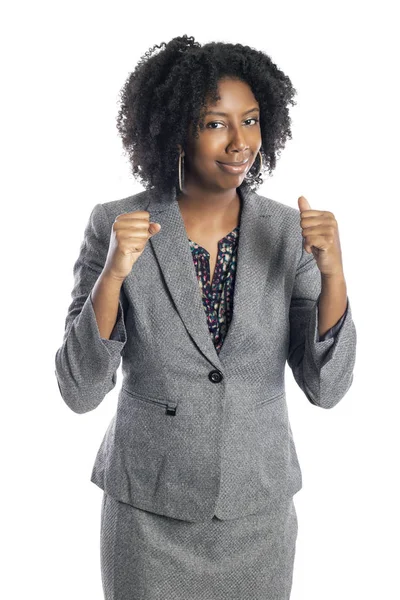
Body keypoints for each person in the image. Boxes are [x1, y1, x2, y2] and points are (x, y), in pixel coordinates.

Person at [54, 35, 357, 600]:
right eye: (216, 123)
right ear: (173, 130)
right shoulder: (114, 223)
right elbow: (78, 388)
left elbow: (328, 385)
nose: (240, 143)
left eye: (251, 120)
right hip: (148, 510)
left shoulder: (286, 231)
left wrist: (334, 273)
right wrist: (114, 276)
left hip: (256, 510)